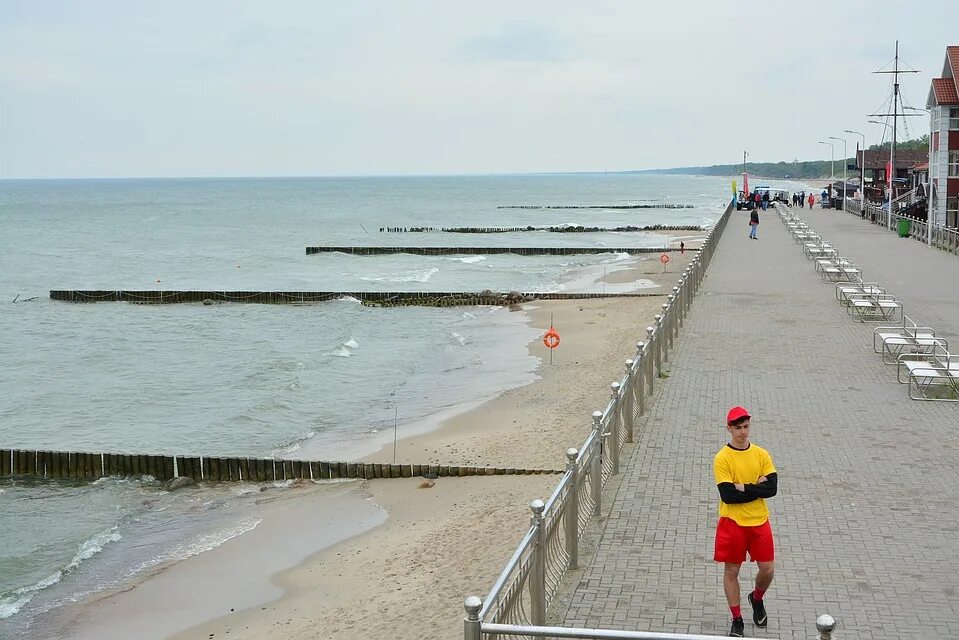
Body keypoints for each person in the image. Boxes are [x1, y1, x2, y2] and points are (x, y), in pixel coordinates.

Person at [713, 406, 777, 637]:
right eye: (738, 428)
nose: (743, 432)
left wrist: (744, 487)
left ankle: (756, 598)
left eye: (746, 427)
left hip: (759, 520)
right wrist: (757, 488)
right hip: (733, 522)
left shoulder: (761, 454)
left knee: (768, 569)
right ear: (729, 428)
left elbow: (772, 488)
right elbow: (727, 496)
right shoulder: (722, 458)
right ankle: (737, 618)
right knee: (732, 571)